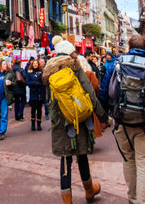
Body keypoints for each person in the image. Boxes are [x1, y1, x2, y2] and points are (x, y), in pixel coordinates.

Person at [99, 34, 145, 204]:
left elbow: (103, 93)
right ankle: (144, 201)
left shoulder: (115, 66)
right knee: (143, 163)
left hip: (121, 121)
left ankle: (133, 198)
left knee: (128, 160)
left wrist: (105, 117)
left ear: (128, 47)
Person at [43, 36, 107, 204]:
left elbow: (49, 100)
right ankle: (89, 190)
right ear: (71, 53)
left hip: (60, 122)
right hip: (79, 118)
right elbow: (90, 95)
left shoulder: (49, 71)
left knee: (65, 160)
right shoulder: (76, 67)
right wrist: (103, 116)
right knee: (82, 154)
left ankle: (67, 201)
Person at [0, 60, 16, 140]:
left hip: (5, 97)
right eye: (4, 64)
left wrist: (11, 83)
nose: (6, 65)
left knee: (4, 115)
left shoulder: (9, 74)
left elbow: (15, 84)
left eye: (6, 64)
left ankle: (1, 132)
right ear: (0, 65)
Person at [27, 59, 45, 131]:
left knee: (39, 110)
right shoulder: (29, 73)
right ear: (32, 64)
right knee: (33, 110)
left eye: (36, 63)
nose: (35, 65)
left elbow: (44, 82)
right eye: (34, 63)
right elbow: (27, 82)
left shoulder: (41, 72)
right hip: (33, 93)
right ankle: (33, 124)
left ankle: (39, 125)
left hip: (40, 94)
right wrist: (34, 83)